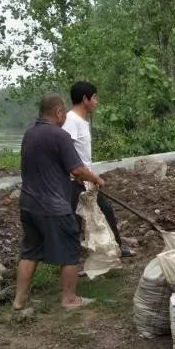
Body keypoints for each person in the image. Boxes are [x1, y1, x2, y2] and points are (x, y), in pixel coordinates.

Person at [13, 94, 105, 311]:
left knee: (30, 251)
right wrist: (96, 179)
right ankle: (69, 300)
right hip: (53, 206)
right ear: (58, 113)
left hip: (28, 204)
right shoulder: (59, 135)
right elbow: (77, 169)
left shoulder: (29, 134)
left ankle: (19, 300)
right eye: (63, 113)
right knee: (70, 251)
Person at [63, 81, 134, 258]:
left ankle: (116, 248)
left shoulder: (80, 121)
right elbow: (64, 150)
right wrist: (76, 173)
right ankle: (71, 259)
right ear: (85, 99)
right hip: (75, 181)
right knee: (75, 219)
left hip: (86, 179)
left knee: (105, 209)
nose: (96, 101)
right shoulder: (71, 121)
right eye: (94, 97)